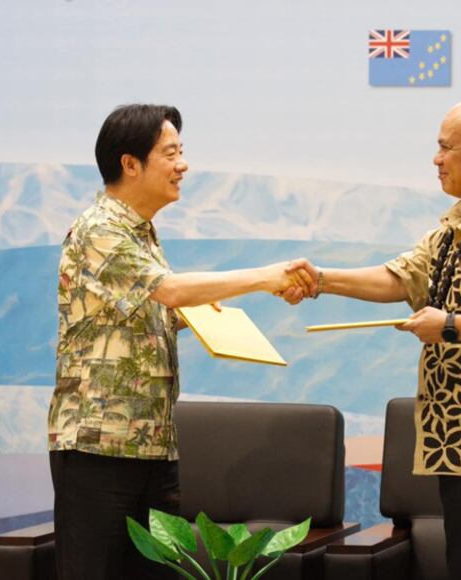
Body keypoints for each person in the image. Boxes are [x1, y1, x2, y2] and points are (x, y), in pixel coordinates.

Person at [285, 97, 461, 580]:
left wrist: (452, 325)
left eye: (445, 149)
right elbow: (402, 278)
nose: (436, 160)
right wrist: (321, 280)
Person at [48, 103, 312, 580]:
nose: (183, 165)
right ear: (130, 164)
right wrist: (266, 276)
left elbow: (152, 312)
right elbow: (169, 290)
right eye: (171, 153)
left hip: (152, 447)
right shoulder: (99, 229)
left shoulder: (142, 233)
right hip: (99, 448)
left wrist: (210, 315)